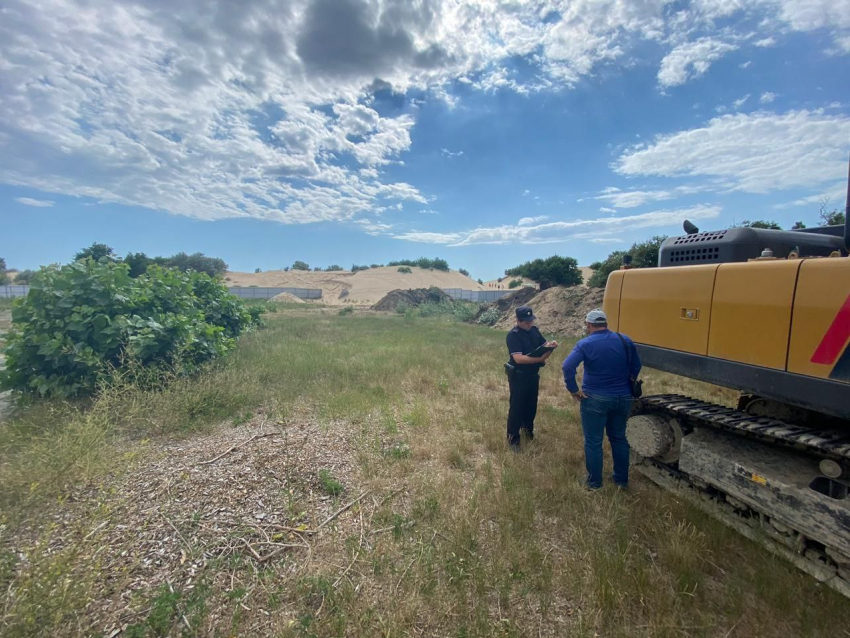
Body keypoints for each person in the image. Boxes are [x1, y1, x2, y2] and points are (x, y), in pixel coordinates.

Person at [561, 309, 641, 490]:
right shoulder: (624, 340)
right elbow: (637, 365)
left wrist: (573, 389)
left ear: (588, 325)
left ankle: (594, 483)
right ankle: (621, 481)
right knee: (619, 438)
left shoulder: (585, 343)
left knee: (594, 441)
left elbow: (567, 366)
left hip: (595, 398)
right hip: (623, 397)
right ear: (606, 323)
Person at [506, 306, 558, 451]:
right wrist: (540, 359)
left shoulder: (534, 330)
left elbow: (543, 344)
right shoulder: (513, 335)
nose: (530, 325)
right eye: (526, 322)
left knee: (531, 406)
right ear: (518, 321)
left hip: (533, 375)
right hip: (519, 376)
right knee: (517, 408)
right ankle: (513, 439)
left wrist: (550, 346)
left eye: (531, 321)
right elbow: (518, 359)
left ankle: (528, 432)